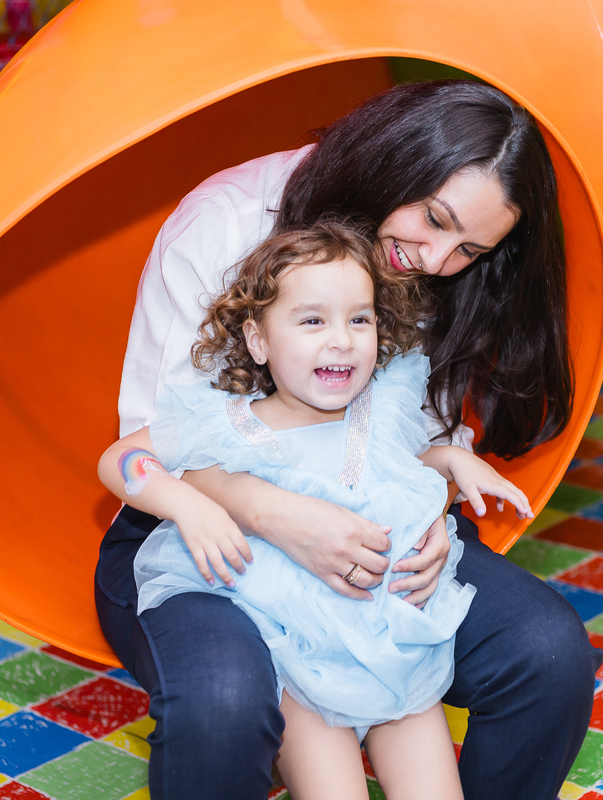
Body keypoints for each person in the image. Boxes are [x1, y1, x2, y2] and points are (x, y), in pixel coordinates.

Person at [95, 79, 603, 800]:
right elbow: (151, 447)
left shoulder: (422, 280)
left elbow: (413, 433)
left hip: (373, 541)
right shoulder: (229, 221)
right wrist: (274, 515)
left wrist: (436, 498)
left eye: (469, 248)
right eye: (434, 218)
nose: (435, 259)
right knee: (226, 701)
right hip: (219, 533)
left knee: (547, 654)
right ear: (394, 161)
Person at [100, 223, 534, 799]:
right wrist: (185, 503)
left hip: (392, 639)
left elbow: (403, 470)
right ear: (258, 340)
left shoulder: (379, 411)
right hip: (296, 656)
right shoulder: (227, 423)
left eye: (359, 319)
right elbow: (120, 459)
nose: (342, 340)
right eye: (312, 321)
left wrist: (452, 459)